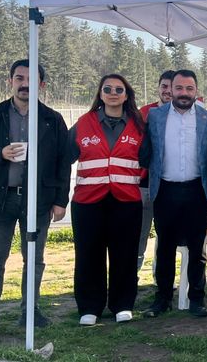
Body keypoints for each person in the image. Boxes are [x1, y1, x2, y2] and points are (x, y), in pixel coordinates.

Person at [0, 60, 71, 341]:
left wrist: (61, 200)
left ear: (42, 85)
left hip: (38, 201)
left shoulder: (52, 119)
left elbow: (64, 163)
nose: (25, 84)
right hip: (1, 198)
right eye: (19, 78)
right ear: (10, 81)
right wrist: (0, 153)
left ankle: (30, 312)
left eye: (31, 79)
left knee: (34, 260)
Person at [68, 74, 145, 325]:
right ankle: (90, 306)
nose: (113, 93)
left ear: (126, 95)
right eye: (108, 89)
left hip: (126, 201)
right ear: (100, 94)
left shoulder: (138, 125)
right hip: (88, 202)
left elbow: (149, 159)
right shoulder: (84, 123)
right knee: (89, 254)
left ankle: (122, 304)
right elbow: (65, 156)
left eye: (119, 89)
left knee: (125, 254)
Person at [140, 69, 207, 318]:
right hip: (165, 190)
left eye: (189, 89)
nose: (184, 93)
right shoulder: (155, 116)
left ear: (196, 91)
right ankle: (162, 298)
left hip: (196, 190)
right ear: (170, 89)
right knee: (165, 247)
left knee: (198, 248)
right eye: (179, 88)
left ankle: (197, 298)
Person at [136, 70, 175, 270]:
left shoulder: (186, 115)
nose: (167, 91)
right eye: (164, 86)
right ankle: (131, 281)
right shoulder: (145, 112)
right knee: (139, 234)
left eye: (171, 87)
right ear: (158, 88)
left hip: (170, 185)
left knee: (165, 235)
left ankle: (160, 278)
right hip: (144, 183)